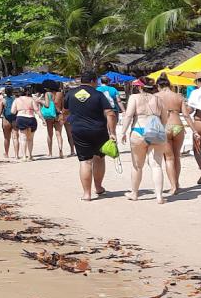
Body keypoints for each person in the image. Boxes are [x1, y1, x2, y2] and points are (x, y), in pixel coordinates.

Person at [65, 70, 117, 201]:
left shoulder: (70, 93)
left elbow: (65, 112)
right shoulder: (99, 94)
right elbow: (110, 114)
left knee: (85, 161)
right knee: (99, 158)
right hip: (98, 130)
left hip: (79, 130)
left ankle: (86, 194)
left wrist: (69, 122)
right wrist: (112, 133)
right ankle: (98, 187)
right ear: (94, 81)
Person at [120, 79, 168, 203]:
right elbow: (164, 118)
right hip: (156, 131)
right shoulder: (159, 100)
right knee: (156, 165)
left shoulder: (134, 97)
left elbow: (129, 115)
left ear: (140, 87)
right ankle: (159, 196)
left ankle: (134, 193)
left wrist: (123, 132)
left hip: (139, 130)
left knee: (137, 165)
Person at [153, 77, 189, 196]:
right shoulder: (178, 96)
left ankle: (173, 187)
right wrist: (194, 130)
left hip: (165, 127)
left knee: (169, 158)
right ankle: (177, 183)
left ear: (159, 86)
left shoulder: (156, 96)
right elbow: (186, 114)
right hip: (178, 126)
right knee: (177, 156)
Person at [12, 86, 40, 160]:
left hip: (21, 118)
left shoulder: (16, 100)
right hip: (31, 118)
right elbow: (37, 110)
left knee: (23, 138)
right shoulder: (31, 99)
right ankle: (30, 155)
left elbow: (13, 111)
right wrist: (43, 119)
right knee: (30, 139)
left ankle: (24, 156)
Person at [40, 85, 65, 158]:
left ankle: (50, 153)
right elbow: (63, 104)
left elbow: (47, 105)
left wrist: (41, 101)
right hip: (57, 115)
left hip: (50, 116)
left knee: (50, 134)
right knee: (59, 134)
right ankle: (60, 150)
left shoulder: (47, 94)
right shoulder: (60, 94)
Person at [0, 87, 19, 160]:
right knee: (15, 138)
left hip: (6, 120)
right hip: (15, 119)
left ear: (5, 92)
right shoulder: (15, 100)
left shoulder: (3, 100)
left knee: (6, 138)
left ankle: (6, 154)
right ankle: (16, 155)